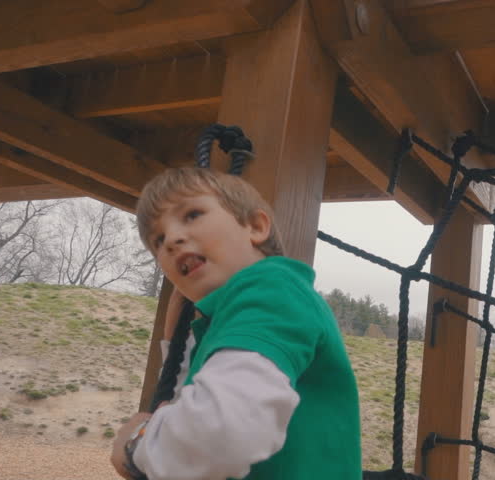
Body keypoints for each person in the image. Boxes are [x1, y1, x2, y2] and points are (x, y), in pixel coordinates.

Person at [110, 167, 362, 480]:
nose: (171, 240)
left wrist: (136, 446)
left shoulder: (272, 288)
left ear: (255, 226)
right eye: (158, 240)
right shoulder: (230, 320)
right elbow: (195, 404)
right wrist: (176, 344)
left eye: (192, 215)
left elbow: (221, 433)